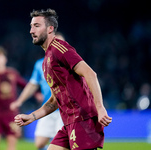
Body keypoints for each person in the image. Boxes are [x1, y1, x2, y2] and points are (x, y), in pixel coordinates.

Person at [14, 9, 112, 150]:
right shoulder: (45, 61)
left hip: (83, 119)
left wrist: (100, 107)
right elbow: (54, 100)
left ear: (50, 29)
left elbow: (90, 74)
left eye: (36, 26)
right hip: (69, 122)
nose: (31, 30)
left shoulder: (59, 48)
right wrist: (32, 117)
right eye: (31, 26)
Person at [10, 32, 65, 150]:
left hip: (65, 108)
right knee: (40, 143)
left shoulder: (69, 62)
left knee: (60, 143)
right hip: (48, 106)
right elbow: (32, 85)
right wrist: (19, 101)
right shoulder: (41, 64)